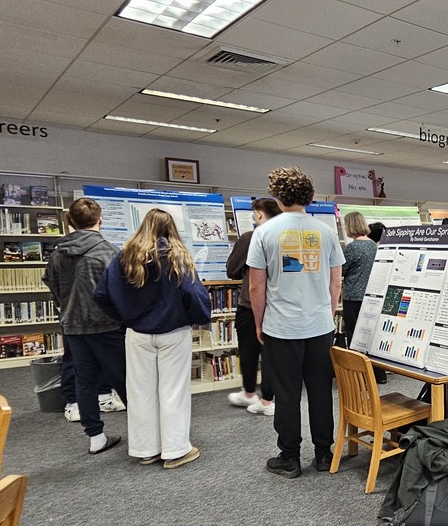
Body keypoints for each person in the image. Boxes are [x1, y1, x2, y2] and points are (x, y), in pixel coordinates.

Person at [248, 167, 345, 479]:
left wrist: (259, 323)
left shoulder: (264, 233)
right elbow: (336, 282)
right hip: (319, 326)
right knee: (320, 391)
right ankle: (323, 453)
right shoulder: (327, 232)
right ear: (310, 196)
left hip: (281, 327)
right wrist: (327, 315)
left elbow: (255, 287)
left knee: (287, 392)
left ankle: (289, 457)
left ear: (277, 196)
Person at [95, 209, 210, 468]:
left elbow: (101, 294)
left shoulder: (124, 257)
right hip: (173, 333)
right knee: (173, 392)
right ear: (171, 229)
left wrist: (125, 316)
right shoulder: (178, 257)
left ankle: (146, 450)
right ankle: (175, 450)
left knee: (140, 393)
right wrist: (197, 317)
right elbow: (194, 296)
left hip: (137, 334)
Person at [42, 197, 128, 455]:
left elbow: (53, 287)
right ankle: (143, 433)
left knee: (84, 381)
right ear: (100, 220)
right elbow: (121, 292)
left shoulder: (57, 254)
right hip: (108, 326)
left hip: (73, 326)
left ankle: (95, 437)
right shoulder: (111, 252)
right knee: (125, 380)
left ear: (70, 222)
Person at [226, 197, 281, 415]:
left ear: (259, 214)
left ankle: (250, 393)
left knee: (249, 350)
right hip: (278, 305)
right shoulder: (284, 236)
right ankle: (269, 399)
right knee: (271, 353)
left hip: (250, 305)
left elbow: (231, 270)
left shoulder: (251, 237)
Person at [341, 210, 386, 384]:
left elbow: (342, 270)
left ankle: (359, 377)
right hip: (372, 297)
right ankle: (379, 375)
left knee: (355, 337)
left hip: (353, 298)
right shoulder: (373, 246)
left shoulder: (352, 247)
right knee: (371, 336)